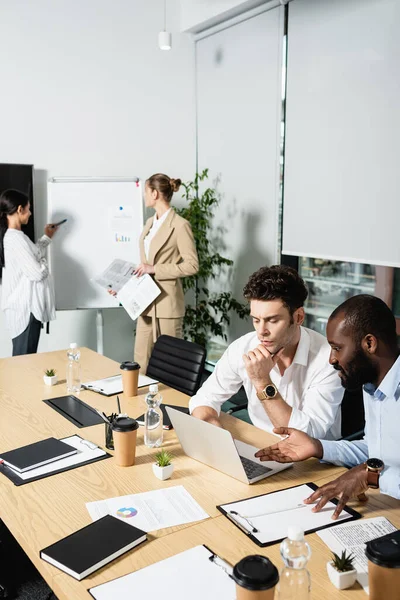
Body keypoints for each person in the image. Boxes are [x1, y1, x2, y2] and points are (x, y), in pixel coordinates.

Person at [255, 294, 400, 518]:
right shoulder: (371, 383)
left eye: (337, 348)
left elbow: (375, 469)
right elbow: (376, 449)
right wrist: (317, 447)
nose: (331, 359)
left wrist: (370, 476)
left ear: (369, 344)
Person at [190, 265, 343, 440]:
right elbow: (204, 398)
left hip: (315, 460)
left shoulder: (327, 359)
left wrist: (262, 382)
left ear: (299, 317)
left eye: (272, 320)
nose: (261, 331)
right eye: (256, 320)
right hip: (262, 444)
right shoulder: (243, 347)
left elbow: (308, 434)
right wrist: (216, 433)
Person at [119, 173, 199, 373]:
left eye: (146, 191)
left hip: (167, 303)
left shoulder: (180, 225)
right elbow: (144, 265)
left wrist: (155, 269)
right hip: (145, 302)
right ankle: (138, 403)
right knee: (140, 361)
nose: (144, 196)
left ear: (154, 193)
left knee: (172, 364)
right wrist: (122, 287)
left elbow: (192, 265)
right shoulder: (149, 223)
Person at [0, 189, 58, 356]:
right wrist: (44, 264)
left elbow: (33, 255)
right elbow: (37, 273)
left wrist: (47, 237)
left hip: (25, 308)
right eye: (28, 208)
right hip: (24, 309)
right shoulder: (15, 239)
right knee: (23, 361)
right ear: (19, 209)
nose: (30, 213)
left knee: (25, 359)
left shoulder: (18, 237)